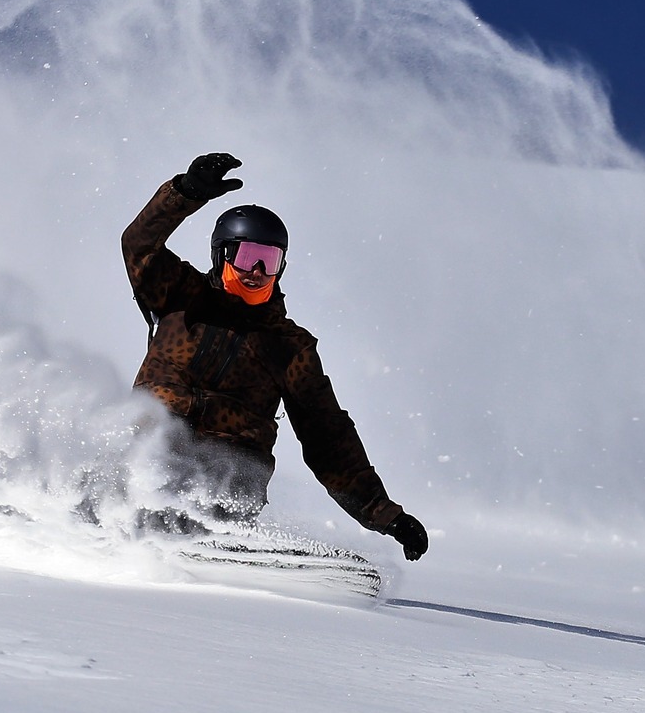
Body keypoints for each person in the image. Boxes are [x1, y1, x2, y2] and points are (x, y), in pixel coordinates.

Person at [121, 152, 428, 561]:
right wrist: (186, 193)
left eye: (270, 261)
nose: (257, 271)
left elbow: (328, 437)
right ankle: (93, 516)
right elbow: (139, 244)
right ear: (222, 255)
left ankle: (214, 545)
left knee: (231, 474)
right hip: (154, 451)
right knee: (142, 442)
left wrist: (385, 515)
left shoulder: (289, 346)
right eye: (248, 257)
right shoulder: (179, 296)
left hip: (227, 477)